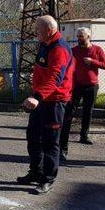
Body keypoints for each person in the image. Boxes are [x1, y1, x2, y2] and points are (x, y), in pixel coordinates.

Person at [17, 15, 73, 194]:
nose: (36, 34)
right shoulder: (44, 45)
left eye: (38, 31)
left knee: (50, 142)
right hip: (41, 100)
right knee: (33, 137)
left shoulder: (59, 50)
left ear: (49, 31)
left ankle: (48, 179)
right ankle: (36, 172)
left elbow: (55, 78)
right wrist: (36, 96)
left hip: (54, 102)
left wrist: (37, 97)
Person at [59, 27, 105, 161]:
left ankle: (84, 135)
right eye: (78, 36)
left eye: (82, 36)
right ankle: (63, 148)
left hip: (91, 85)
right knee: (69, 112)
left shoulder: (97, 50)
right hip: (75, 85)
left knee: (88, 111)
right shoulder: (74, 51)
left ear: (88, 37)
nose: (79, 38)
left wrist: (93, 62)